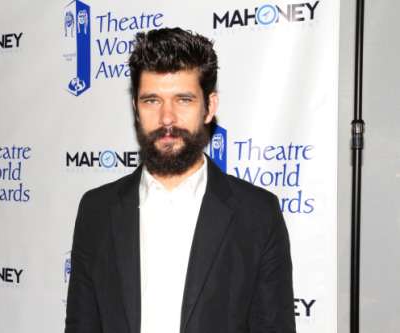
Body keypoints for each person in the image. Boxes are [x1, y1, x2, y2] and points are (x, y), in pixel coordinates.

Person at [65, 27, 296, 333]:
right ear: (135, 108)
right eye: (152, 101)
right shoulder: (96, 209)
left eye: (183, 100)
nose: (167, 118)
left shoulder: (257, 214)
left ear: (209, 107)